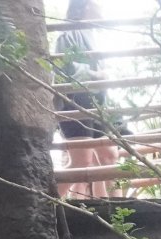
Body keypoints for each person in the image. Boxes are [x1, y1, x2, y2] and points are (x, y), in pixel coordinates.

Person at [54, 0, 120, 198]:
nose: (102, 6)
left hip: (96, 104)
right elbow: (65, 68)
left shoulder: (91, 35)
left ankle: (117, 208)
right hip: (75, 103)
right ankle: (48, 207)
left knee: (109, 155)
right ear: (85, 6)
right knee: (81, 162)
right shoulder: (68, 34)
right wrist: (96, 75)